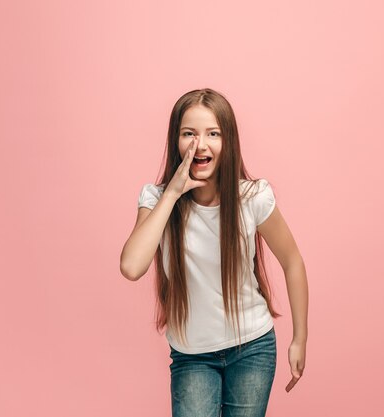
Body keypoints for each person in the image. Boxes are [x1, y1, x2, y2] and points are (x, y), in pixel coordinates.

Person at [120, 88, 308, 417]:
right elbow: (132, 266)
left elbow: (292, 262)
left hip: (252, 348)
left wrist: (300, 339)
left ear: (228, 141)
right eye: (189, 134)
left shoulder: (252, 197)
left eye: (213, 133)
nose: (201, 145)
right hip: (192, 357)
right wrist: (174, 192)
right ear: (175, 141)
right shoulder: (156, 199)